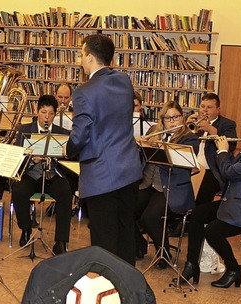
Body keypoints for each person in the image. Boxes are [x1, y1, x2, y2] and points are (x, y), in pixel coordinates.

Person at [63, 34, 143, 265]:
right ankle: (128, 288)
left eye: (81, 54)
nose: (80, 59)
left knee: (104, 239)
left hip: (101, 174)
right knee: (125, 231)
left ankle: (108, 288)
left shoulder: (84, 91)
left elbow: (81, 134)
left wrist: (67, 149)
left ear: (89, 56)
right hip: (128, 168)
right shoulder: (124, 81)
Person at [178, 110, 241, 288]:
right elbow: (228, 171)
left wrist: (223, 150)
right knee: (197, 214)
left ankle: (234, 269)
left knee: (213, 231)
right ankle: (191, 265)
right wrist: (222, 152)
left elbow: (229, 172)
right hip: (237, 201)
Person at [135, 101, 199, 268]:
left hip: (172, 187)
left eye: (176, 117)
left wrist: (159, 147)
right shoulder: (153, 132)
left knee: (149, 217)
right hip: (148, 183)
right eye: (168, 118)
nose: (172, 122)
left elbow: (183, 163)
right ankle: (139, 244)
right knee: (124, 209)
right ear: (161, 120)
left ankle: (163, 252)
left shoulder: (190, 138)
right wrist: (139, 146)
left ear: (182, 118)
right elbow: (141, 159)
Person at [12, 95, 73, 254]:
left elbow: (69, 159)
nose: (47, 117)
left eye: (51, 113)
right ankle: (26, 228)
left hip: (52, 174)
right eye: (43, 112)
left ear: (55, 114)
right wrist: (32, 160)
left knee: (66, 192)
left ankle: (61, 241)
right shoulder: (25, 130)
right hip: (31, 174)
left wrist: (61, 154)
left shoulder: (63, 133)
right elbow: (19, 157)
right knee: (19, 190)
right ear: (37, 111)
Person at [188, 93, 237, 206]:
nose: (205, 110)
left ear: (218, 110)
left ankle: (195, 216)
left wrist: (211, 130)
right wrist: (186, 128)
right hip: (192, 167)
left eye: (209, 107)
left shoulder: (228, 124)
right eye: (202, 106)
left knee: (200, 195)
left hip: (212, 170)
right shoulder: (194, 122)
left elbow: (232, 145)